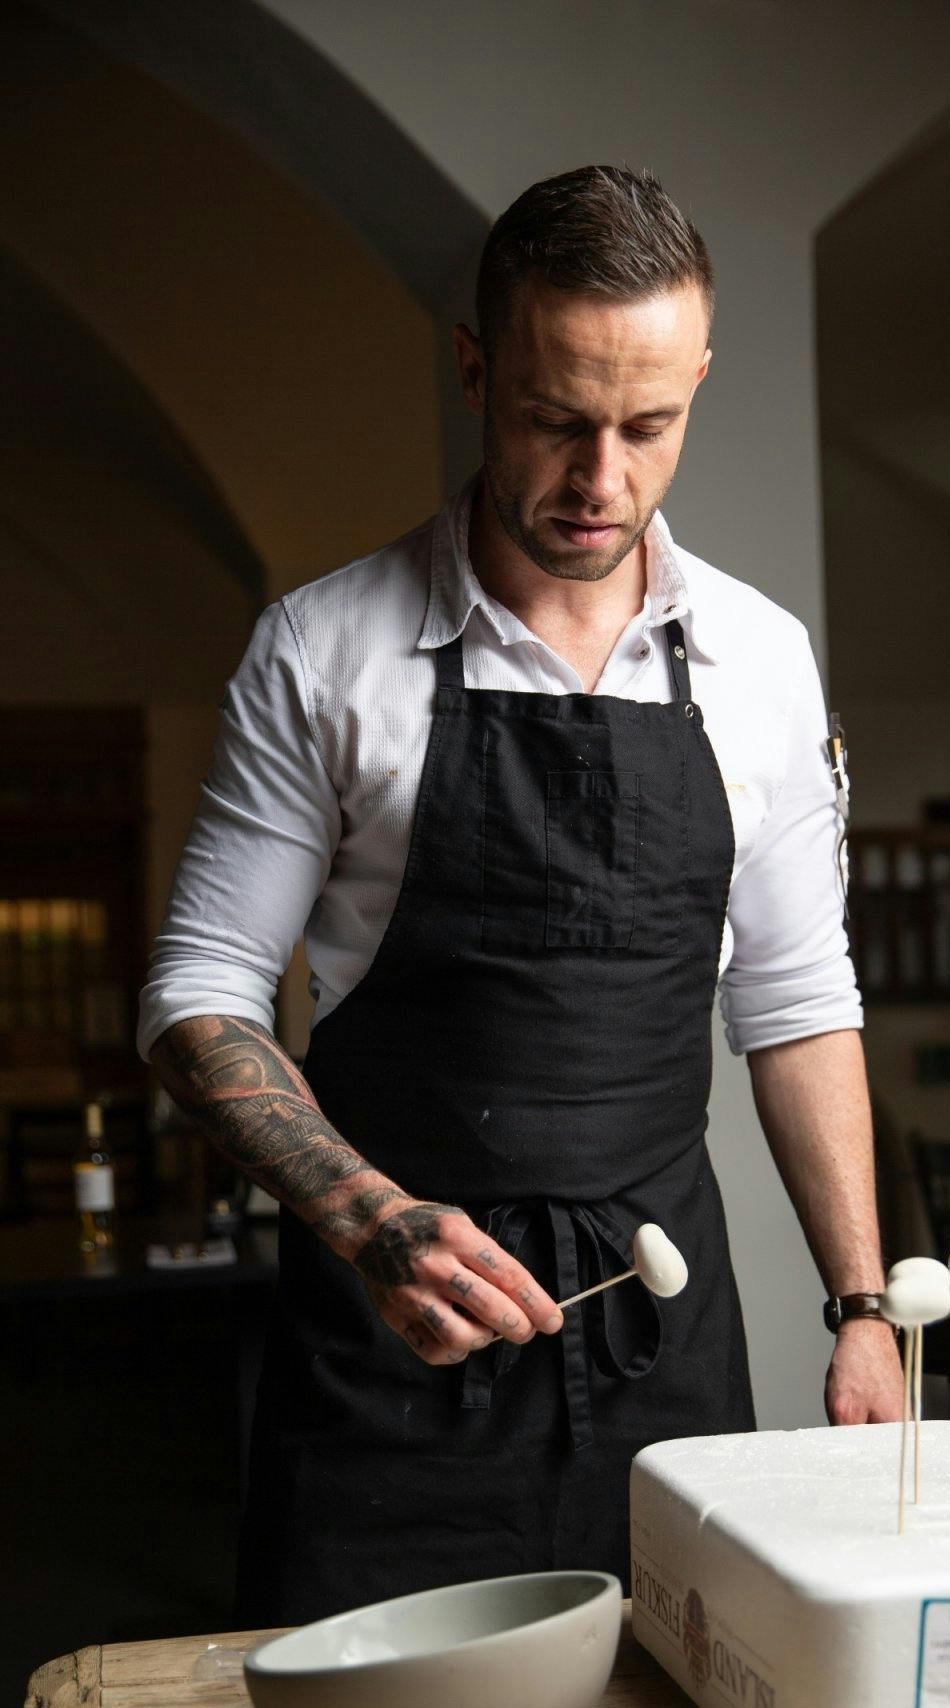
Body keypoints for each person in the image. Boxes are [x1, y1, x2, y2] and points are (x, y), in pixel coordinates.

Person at [138, 164, 901, 1627]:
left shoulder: (761, 663)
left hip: (668, 1357)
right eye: (557, 420)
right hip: (387, 1362)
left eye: (648, 426)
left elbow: (800, 1004)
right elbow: (198, 995)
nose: (599, 480)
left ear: (695, 388)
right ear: (479, 370)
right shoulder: (326, 650)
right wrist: (365, 1219)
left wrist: (860, 1307)